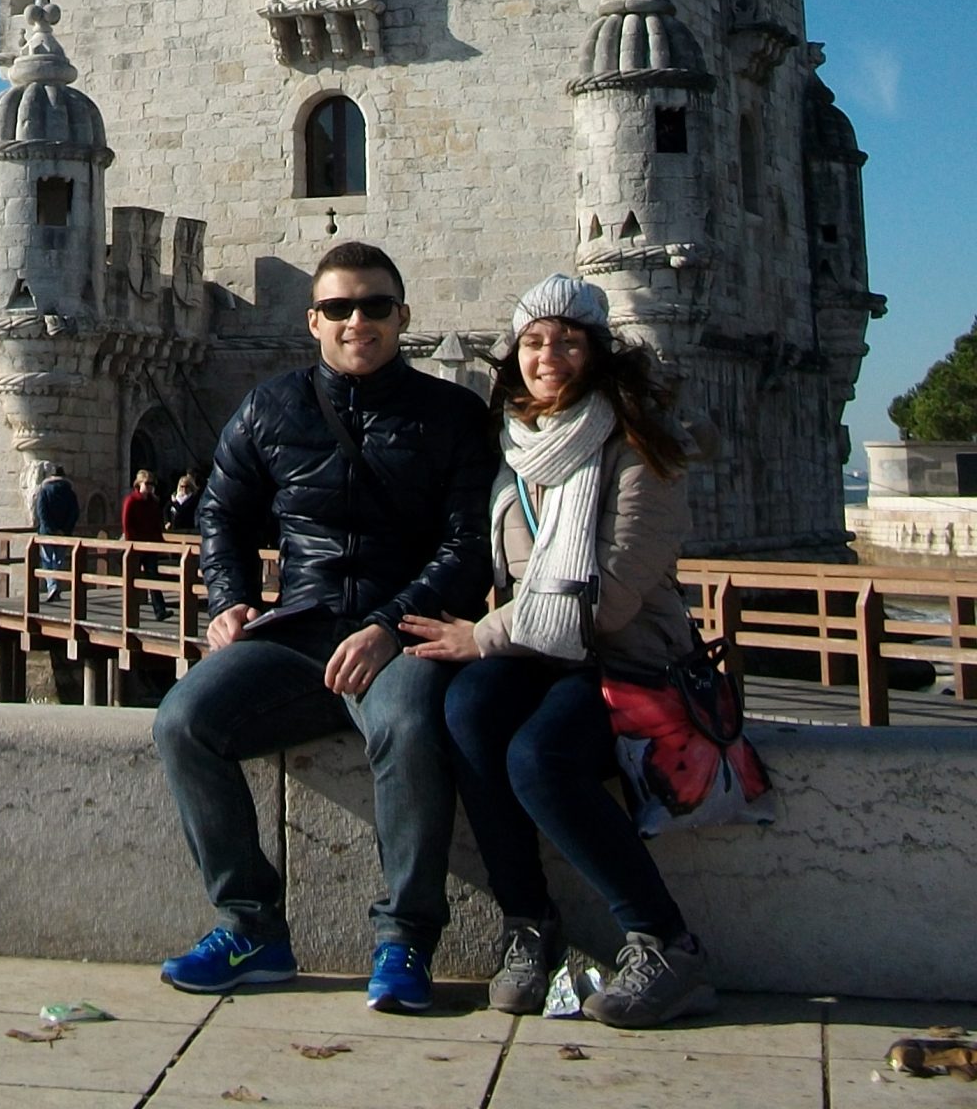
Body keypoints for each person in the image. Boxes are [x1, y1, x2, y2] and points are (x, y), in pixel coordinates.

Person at [153, 242, 495, 1008]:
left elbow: (469, 544)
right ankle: (251, 928)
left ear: (402, 317)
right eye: (339, 307)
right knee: (184, 721)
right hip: (301, 630)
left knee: (407, 726)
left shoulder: (453, 415)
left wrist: (388, 625)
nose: (356, 321)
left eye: (374, 306)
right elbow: (221, 512)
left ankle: (405, 940)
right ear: (313, 321)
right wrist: (230, 599)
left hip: (404, 633)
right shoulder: (270, 408)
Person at [402, 272, 715, 1029]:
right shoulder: (513, 446)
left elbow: (607, 600)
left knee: (538, 758)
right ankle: (528, 924)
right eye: (534, 341)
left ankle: (665, 941)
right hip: (540, 655)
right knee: (467, 711)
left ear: (598, 351)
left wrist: (481, 635)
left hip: (624, 659)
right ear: (513, 354)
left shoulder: (642, 450)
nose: (548, 356)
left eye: (568, 341)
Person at [121, 466, 171, 621]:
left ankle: (160, 610)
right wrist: (131, 543)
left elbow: (157, 525)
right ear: (139, 483)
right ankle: (129, 611)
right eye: (147, 483)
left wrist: (161, 544)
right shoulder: (131, 501)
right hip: (136, 545)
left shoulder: (153, 502)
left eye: (152, 484)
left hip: (150, 545)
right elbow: (127, 524)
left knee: (153, 576)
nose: (150, 487)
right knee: (132, 578)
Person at [31, 459, 79, 602]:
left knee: (47, 559)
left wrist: (50, 528)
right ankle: (56, 586)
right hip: (64, 533)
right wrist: (64, 529)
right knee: (59, 560)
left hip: (46, 533)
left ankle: (52, 586)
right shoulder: (69, 492)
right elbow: (74, 512)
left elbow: (42, 512)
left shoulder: (44, 491)